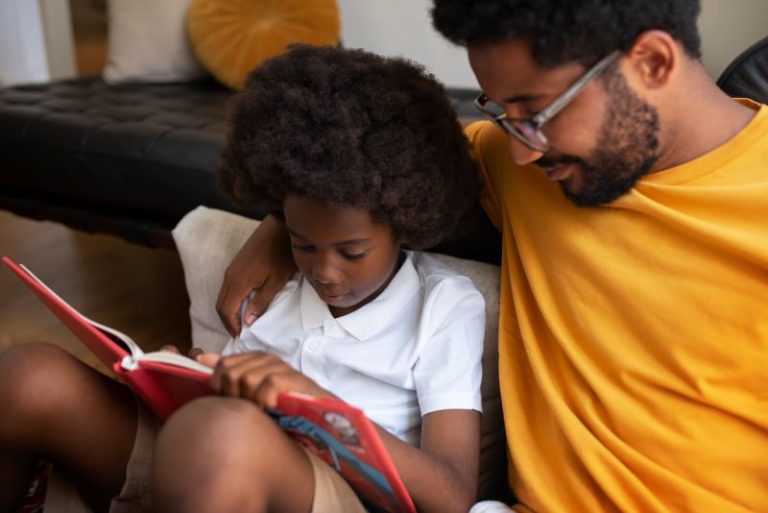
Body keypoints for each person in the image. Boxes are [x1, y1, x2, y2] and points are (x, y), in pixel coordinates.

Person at [215, 1, 768, 512]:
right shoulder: (530, 163)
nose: (523, 151)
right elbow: (360, 164)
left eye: (536, 111)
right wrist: (279, 227)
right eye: (503, 114)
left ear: (650, 61)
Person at [0, 45, 485, 513]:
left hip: (322, 495)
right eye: (302, 243)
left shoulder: (442, 306)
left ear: (407, 222)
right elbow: (220, 396)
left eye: (351, 252)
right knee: (30, 375)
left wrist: (321, 403)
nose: (324, 271)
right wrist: (180, 378)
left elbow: (450, 497)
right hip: (199, 467)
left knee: (220, 434)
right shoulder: (277, 282)